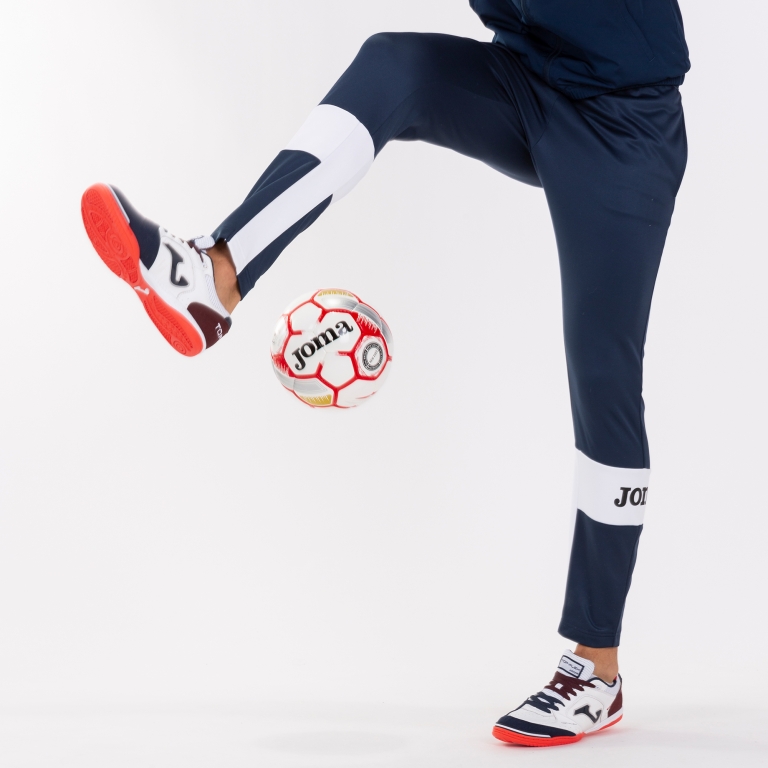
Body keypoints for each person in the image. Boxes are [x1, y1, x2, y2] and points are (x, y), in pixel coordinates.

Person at [81, 0, 689, 747]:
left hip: (624, 125)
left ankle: (596, 672)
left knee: (603, 380)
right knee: (396, 63)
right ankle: (215, 276)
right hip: (525, 82)